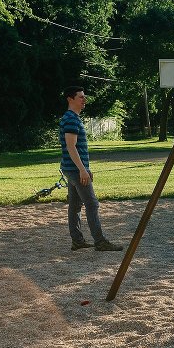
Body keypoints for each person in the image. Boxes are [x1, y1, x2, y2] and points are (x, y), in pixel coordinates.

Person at [60, 86, 122, 251]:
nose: (84, 100)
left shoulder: (71, 118)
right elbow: (71, 147)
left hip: (72, 168)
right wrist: (82, 170)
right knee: (92, 204)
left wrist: (85, 168)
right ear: (70, 99)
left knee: (74, 205)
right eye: (81, 97)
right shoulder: (71, 119)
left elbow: (74, 149)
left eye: (84, 96)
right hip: (74, 169)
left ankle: (77, 240)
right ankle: (100, 241)